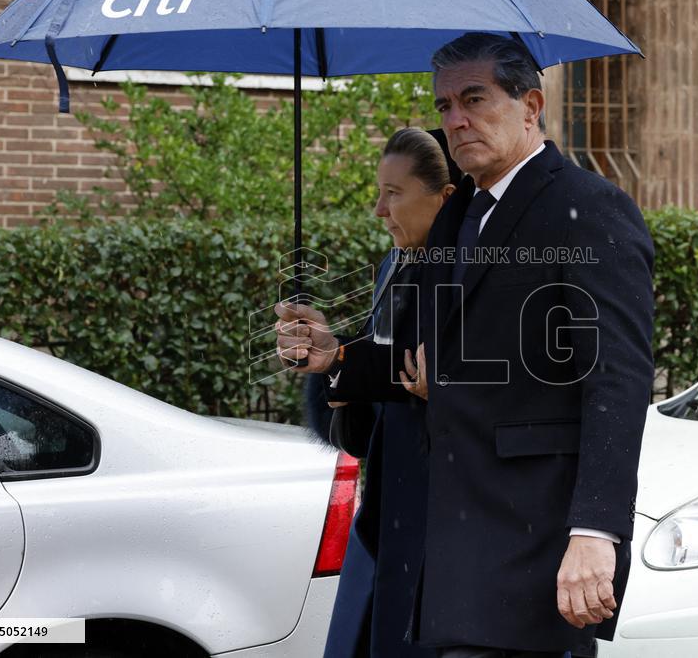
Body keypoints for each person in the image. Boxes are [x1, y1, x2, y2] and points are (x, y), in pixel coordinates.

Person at [277, 32, 654, 658]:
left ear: (531, 105)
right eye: (445, 105)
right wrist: (335, 357)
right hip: (447, 540)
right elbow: (424, 357)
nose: (455, 119)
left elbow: (616, 381)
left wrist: (595, 532)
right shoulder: (462, 216)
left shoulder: (591, 209)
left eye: (474, 99)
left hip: (533, 543)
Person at [305, 127, 458, 658]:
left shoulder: (477, 273)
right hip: (386, 509)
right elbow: (374, 390)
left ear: (445, 195)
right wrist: (330, 362)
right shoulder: (395, 266)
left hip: (445, 518)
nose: (378, 210)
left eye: (393, 194)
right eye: (379, 192)